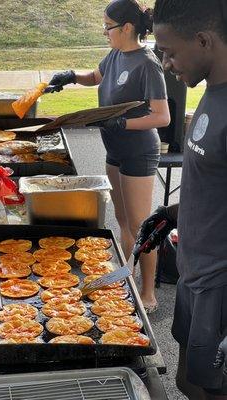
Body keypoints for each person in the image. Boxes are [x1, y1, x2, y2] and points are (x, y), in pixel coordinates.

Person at [49, 0, 170, 313]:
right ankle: (128, 278)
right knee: (122, 221)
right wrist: (71, 76)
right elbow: (96, 76)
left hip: (139, 152)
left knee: (142, 226)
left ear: (126, 28)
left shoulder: (147, 63)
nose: (105, 32)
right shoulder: (116, 53)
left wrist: (122, 122)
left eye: (108, 27)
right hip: (114, 149)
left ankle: (148, 294)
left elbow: (162, 116)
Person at [136, 0, 227, 398]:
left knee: (213, 390)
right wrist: (175, 213)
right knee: (187, 382)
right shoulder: (211, 92)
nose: (167, 64)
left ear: (204, 40)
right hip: (195, 270)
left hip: (220, 285)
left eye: (170, 52)